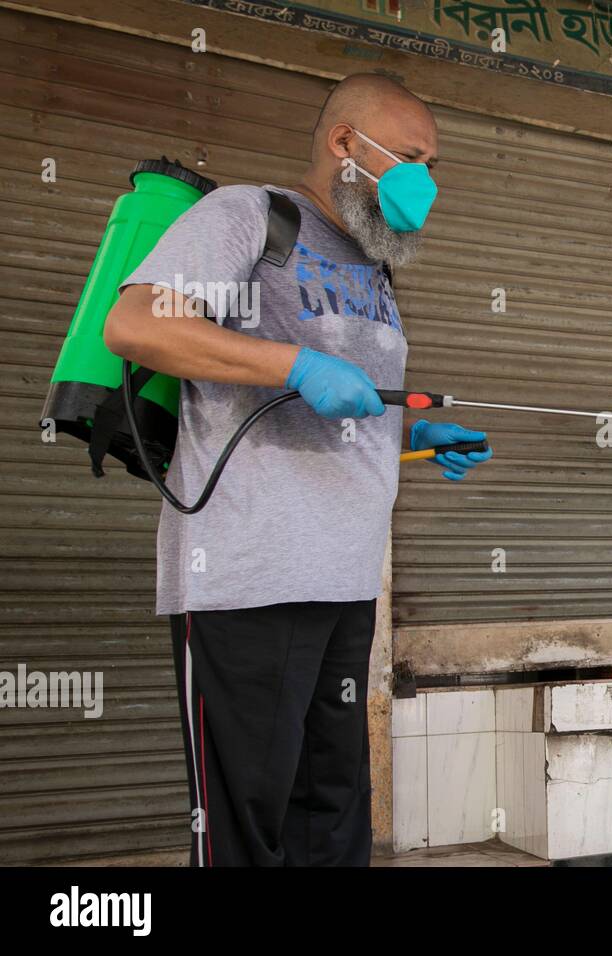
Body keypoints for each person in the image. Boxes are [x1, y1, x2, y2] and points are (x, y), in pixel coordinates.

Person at [103, 73, 491, 866]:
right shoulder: (251, 216)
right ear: (345, 145)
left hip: (345, 586)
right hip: (246, 576)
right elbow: (135, 322)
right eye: (410, 157)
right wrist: (293, 362)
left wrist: (413, 434)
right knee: (244, 826)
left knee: (333, 815)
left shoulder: (377, 266)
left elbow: (341, 407)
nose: (426, 179)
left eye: (435, 164)